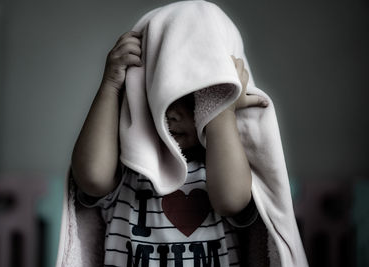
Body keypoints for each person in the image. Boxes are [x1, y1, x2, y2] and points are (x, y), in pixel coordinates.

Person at [71, 30, 269, 266]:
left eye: (190, 98)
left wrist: (222, 112)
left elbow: (231, 201)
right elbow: (91, 178)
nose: (172, 114)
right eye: (158, 95)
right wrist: (111, 85)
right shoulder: (131, 165)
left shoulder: (219, 166)